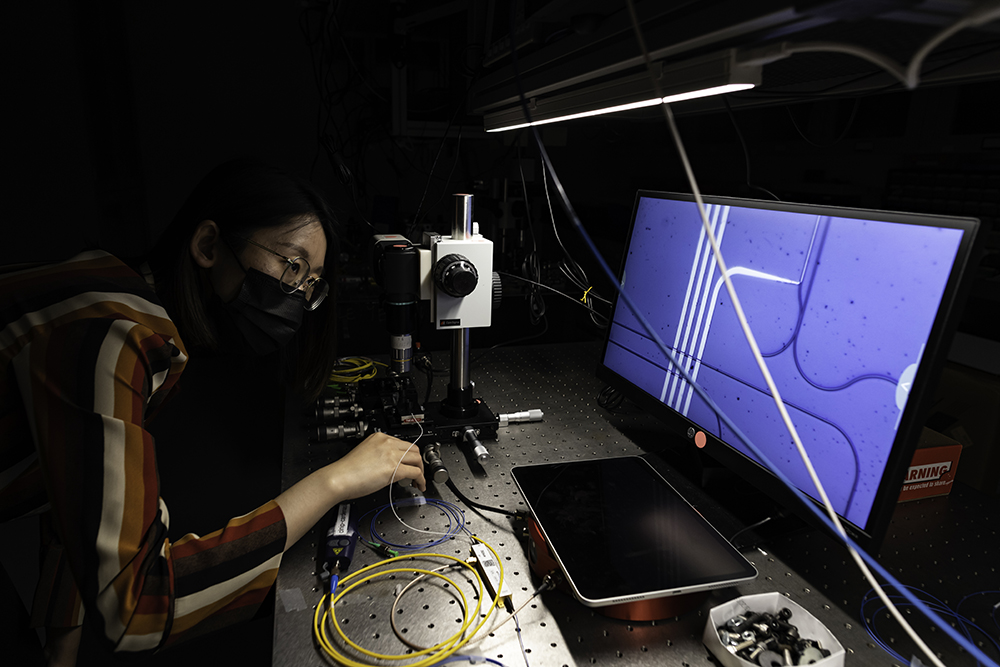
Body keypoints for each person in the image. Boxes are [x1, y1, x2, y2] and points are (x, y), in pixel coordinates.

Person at [0, 159, 426, 665]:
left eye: (311, 284)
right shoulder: (113, 337)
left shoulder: (118, 292)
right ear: (207, 246)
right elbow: (137, 608)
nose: (298, 297)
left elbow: (74, 481)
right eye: (291, 266)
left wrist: (60, 637)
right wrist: (333, 482)